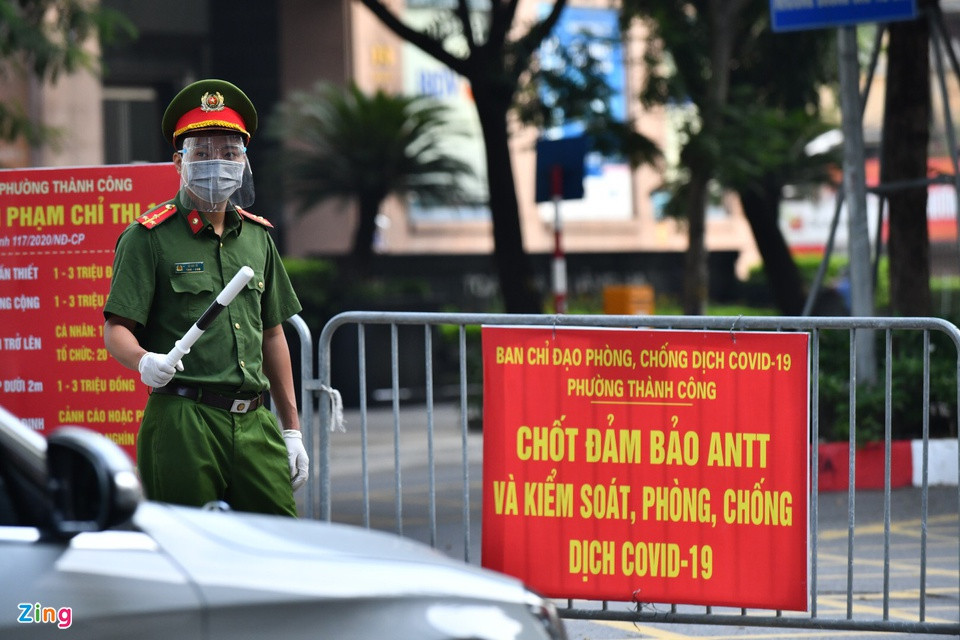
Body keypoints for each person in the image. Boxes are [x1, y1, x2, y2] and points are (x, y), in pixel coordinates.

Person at [103, 78, 307, 517]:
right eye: (203, 152)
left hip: (254, 421)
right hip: (182, 418)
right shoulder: (148, 237)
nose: (218, 163)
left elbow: (273, 335)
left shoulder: (258, 237)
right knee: (187, 550)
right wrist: (143, 361)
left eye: (230, 153)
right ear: (179, 161)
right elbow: (117, 328)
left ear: (244, 162)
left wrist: (292, 429)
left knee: (279, 543)